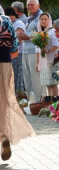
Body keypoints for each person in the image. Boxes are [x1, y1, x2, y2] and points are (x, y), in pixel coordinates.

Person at [0, 13, 35, 161]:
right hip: (5, 65)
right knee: (4, 102)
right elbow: (15, 49)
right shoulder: (6, 21)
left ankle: (2, 137)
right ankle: (3, 137)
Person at [21, 0, 44, 102]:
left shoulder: (42, 17)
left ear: (38, 6)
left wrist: (27, 36)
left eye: (32, 5)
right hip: (25, 51)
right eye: (28, 5)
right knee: (28, 79)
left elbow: (43, 34)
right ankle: (31, 102)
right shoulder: (29, 17)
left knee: (36, 79)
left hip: (35, 52)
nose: (29, 7)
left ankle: (39, 102)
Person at [35, 13, 59, 97]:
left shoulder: (52, 31)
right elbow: (37, 49)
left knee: (53, 83)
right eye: (41, 19)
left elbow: (57, 45)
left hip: (52, 60)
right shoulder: (40, 32)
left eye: (45, 19)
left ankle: (55, 103)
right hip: (44, 62)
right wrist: (37, 63)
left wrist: (49, 50)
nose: (43, 21)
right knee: (48, 83)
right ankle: (50, 104)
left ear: (49, 20)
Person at [3, 7, 25, 94]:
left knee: (15, 75)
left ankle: (18, 94)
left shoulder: (18, 23)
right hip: (11, 53)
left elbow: (18, 38)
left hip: (16, 53)